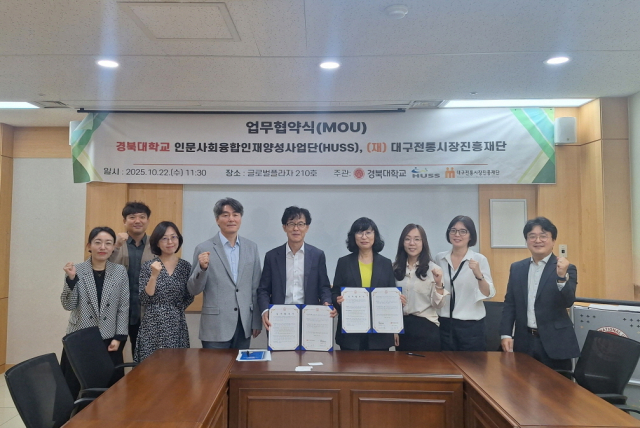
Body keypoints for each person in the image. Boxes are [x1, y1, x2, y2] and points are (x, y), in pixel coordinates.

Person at [499, 217, 579, 370]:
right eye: (532, 236)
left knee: (556, 385)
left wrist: (561, 277)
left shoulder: (566, 268)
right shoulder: (517, 268)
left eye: (543, 236)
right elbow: (510, 303)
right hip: (524, 341)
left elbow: (568, 301)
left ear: (553, 240)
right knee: (521, 382)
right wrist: (506, 334)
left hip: (555, 343)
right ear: (527, 240)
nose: (538, 240)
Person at [61, 226, 129, 398]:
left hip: (109, 339)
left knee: (108, 392)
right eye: (98, 242)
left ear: (113, 247)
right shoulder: (76, 270)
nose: (102, 247)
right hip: (80, 338)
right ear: (89, 246)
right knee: (76, 388)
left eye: (108, 243)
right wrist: (71, 280)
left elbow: (123, 307)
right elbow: (68, 305)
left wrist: (119, 337)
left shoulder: (120, 271)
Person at [187, 197, 262, 348]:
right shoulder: (204, 248)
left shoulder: (251, 247)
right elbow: (193, 289)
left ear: (240, 218)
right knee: (214, 365)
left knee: (240, 364)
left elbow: (255, 287)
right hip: (215, 327)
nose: (231, 219)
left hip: (243, 324)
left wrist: (256, 321)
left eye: (235, 215)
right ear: (217, 220)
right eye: (225, 215)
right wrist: (202, 269)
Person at [257, 206, 335, 330]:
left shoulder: (317, 255)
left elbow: (324, 287)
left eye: (300, 224)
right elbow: (263, 289)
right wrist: (265, 310)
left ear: (307, 227)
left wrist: (327, 302)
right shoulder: (272, 256)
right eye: (291, 224)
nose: (296, 228)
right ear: (284, 227)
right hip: (279, 316)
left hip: (309, 316)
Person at [332, 217, 401, 351]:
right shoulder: (344, 262)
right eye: (359, 232)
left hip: (380, 333)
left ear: (375, 235)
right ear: (353, 236)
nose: (364, 237)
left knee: (378, 364)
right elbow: (334, 291)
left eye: (368, 232)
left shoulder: (386, 263)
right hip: (351, 333)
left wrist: (395, 328)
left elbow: (391, 294)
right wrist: (337, 300)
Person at [135, 221, 193, 362]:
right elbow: (144, 299)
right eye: (164, 238)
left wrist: (173, 309)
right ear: (157, 242)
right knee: (151, 367)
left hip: (177, 323)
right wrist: (154, 276)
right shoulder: (148, 266)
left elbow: (189, 296)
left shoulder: (185, 266)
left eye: (173, 237)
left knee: (176, 366)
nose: (170, 242)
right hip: (153, 323)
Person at [435, 215, 495, 351]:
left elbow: (489, 294)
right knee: (444, 363)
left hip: (471, 326)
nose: (457, 235)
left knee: (472, 364)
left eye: (463, 231)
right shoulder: (440, 258)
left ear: (470, 235)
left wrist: (478, 275)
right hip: (444, 324)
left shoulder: (479, 259)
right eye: (453, 230)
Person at [393, 224, 448, 352]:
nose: (412, 243)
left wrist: (439, 284)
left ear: (423, 242)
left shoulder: (434, 269)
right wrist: (393, 329)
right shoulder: (394, 268)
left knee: (427, 364)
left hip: (426, 327)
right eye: (407, 239)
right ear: (402, 242)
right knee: (401, 364)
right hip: (401, 328)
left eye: (417, 239)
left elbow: (438, 305)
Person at [109, 201, 153, 357]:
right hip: (116, 310)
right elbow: (102, 266)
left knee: (142, 357)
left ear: (148, 220)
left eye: (142, 217)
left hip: (144, 311)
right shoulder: (113, 242)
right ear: (124, 221)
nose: (137, 221)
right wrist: (116, 246)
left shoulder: (155, 245)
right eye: (132, 217)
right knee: (112, 355)